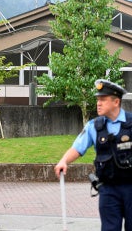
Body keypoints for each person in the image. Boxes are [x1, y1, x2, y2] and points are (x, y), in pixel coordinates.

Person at [54, 79, 132, 231]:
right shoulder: (94, 127)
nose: (98, 103)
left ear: (116, 102)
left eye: (103, 99)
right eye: (98, 100)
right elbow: (77, 148)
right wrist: (64, 161)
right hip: (108, 190)